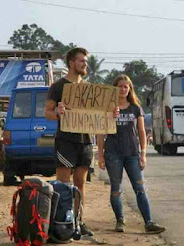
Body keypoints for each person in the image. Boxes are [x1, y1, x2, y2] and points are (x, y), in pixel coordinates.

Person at [97, 74, 166, 234]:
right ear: (115, 88)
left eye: (125, 86)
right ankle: (120, 221)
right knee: (116, 189)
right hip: (113, 154)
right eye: (120, 86)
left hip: (133, 153)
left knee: (140, 188)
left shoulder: (136, 108)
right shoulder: (108, 108)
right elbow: (101, 134)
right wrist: (100, 156)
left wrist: (143, 154)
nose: (123, 89)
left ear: (130, 89)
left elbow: (141, 132)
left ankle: (148, 222)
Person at [44, 47, 95, 236]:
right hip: (65, 140)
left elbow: (99, 114)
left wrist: (111, 114)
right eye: (81, 61)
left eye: (86, 61)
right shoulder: (58, 87)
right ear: (71, 63)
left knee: (80, 184)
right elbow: (48, 113)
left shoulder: (89, 89)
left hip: (85, 140)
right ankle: (61, 222)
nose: (85, 64)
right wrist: (58, 112)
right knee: (63, 184)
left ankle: (78, 222)